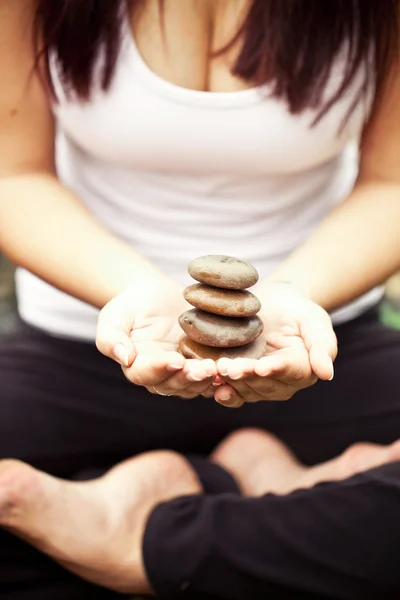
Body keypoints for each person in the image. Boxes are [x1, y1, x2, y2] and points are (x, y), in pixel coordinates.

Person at [1, 0, 400, 597]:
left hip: (316, 348)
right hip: (83, 347)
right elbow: (14, 175)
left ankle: (140, 541)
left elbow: (391, 182)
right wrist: (133, 289)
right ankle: (267, 498)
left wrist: (291, 297)